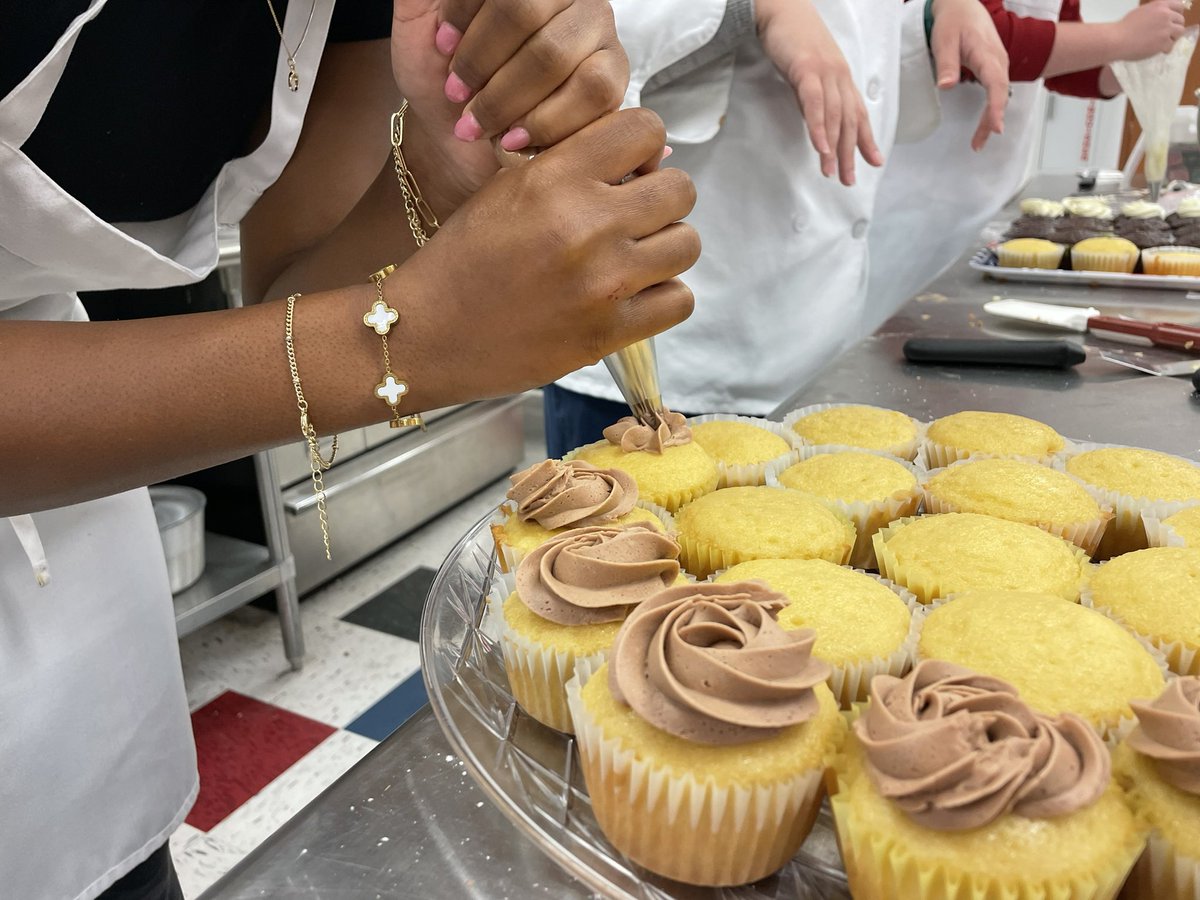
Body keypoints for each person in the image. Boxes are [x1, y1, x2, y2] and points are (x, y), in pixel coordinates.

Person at [0, 2, 699, 898]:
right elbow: (339, 338)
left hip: (79, 617)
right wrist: (399, 343)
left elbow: (295, 290)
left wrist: (438, 170)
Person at [544, 0, 1011, 457]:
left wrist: (929, 18)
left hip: (816, 345)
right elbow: (553, 31)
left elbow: (857, 39)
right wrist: (753, 7)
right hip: (659, 359)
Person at [867, 0, 1188, 323]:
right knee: (890, 323)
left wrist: (1124, 65)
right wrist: (1121, 36)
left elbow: (1062, 52)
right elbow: (976, 36)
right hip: (908, 194)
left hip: (989, 191)